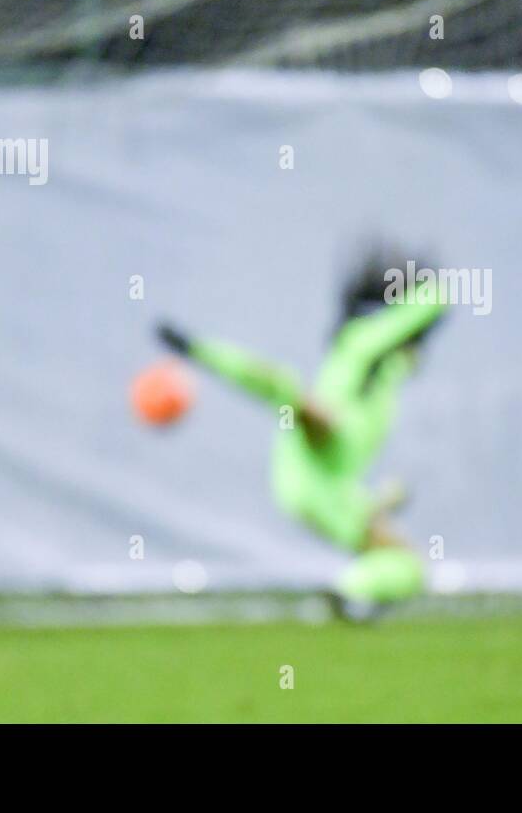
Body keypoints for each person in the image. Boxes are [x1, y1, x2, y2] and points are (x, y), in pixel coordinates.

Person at [157, 250, 446, 612]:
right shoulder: (364, 343)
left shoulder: (382, 370)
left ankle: (356, 593)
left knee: (411, 566)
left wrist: (379, 500)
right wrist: (198, 349)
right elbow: (434, 301)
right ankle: (350, 590)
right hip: (324, 447)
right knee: (287, 394)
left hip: (328, 479)